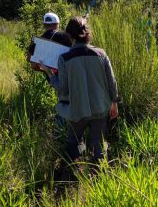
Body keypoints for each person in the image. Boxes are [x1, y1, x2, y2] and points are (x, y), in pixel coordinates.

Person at [39, 16, 119, 165]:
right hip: (100, 108)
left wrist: (49, 73)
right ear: (87, 33)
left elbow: (63, 89)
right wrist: (114, 103)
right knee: (99, 144)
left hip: (76, 110)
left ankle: (77, 170)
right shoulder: (102, 54)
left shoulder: (65, 58)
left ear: (69, 35)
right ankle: (99, 174)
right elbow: (112, 82)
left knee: (73, 141)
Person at [28, 12, 72, 77]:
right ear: (57, 24)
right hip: (68, 75)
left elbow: (33, 65)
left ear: (44, 25)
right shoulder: (66, 37)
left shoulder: (37, 41)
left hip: (52, 78)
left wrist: (48, 71)